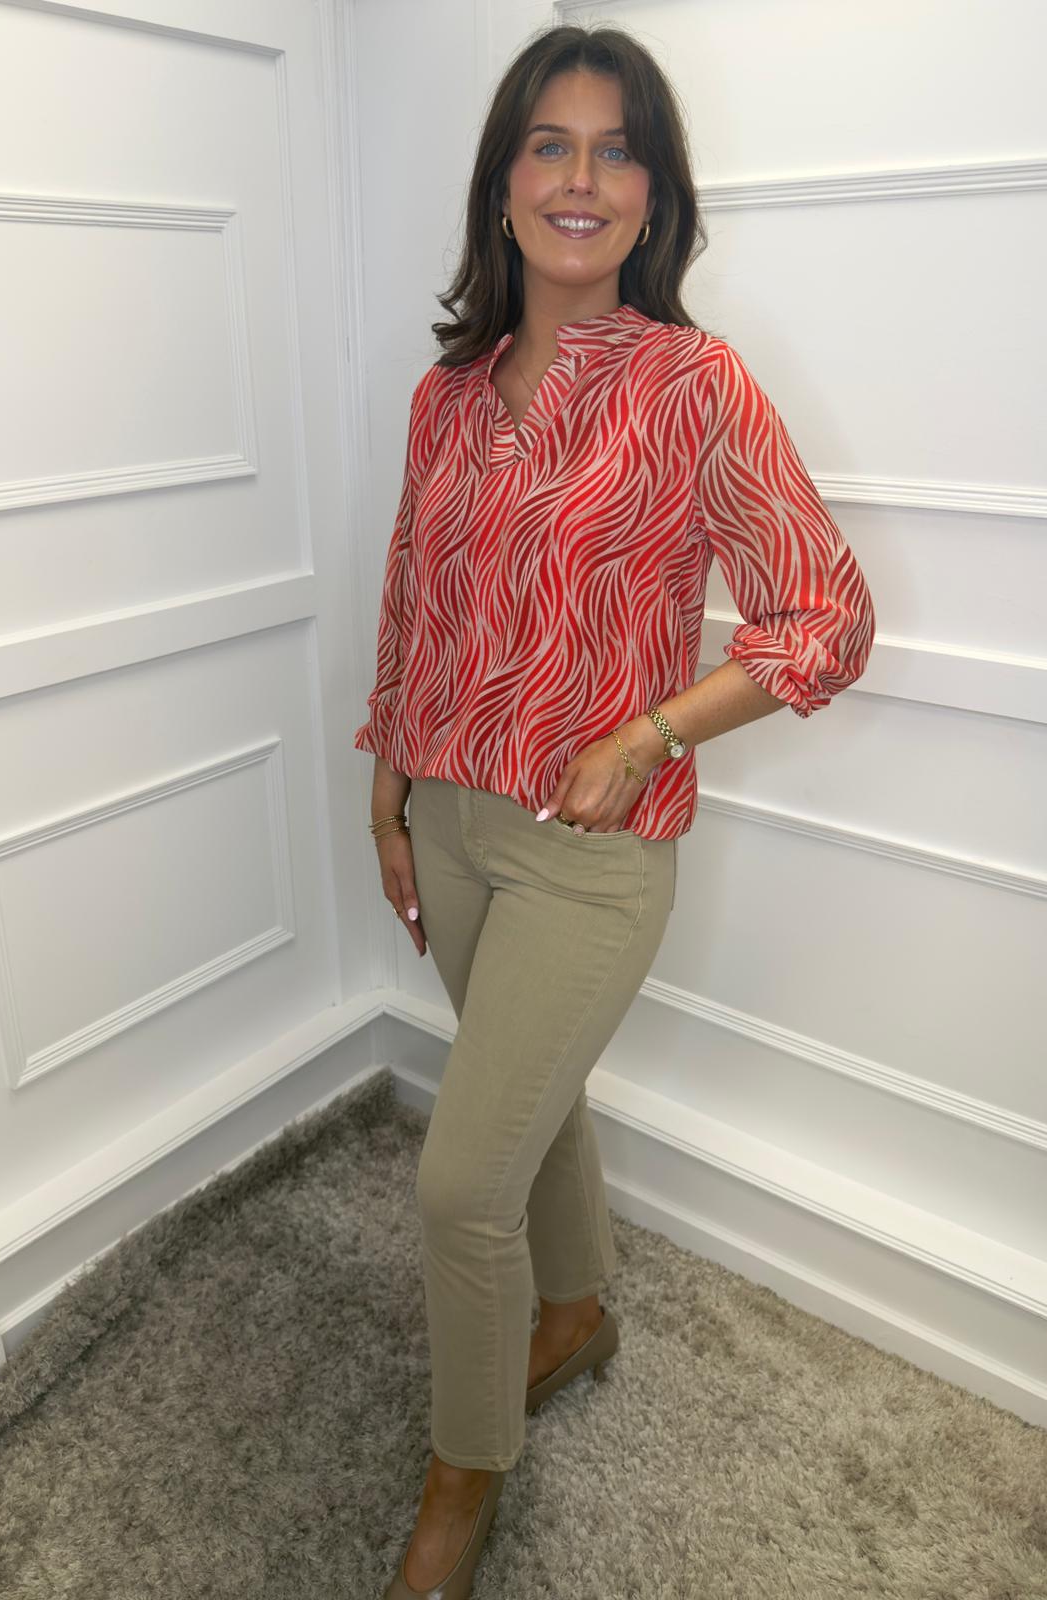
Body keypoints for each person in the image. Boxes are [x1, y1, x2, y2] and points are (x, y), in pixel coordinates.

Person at [356, 23, 877, 1599]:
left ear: (654, 194)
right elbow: (413, 596)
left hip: (589, 858)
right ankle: (575, 1314)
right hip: (446, 818)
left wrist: (652, 731)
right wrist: (386, 789)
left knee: (459, 1182)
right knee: (529, 1102)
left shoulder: (694, 386)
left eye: (616, 150)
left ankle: (465, 1473)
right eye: (549, 144)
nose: (579, 179)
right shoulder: (448, 395)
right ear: (503, 181)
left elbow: (827, 617)